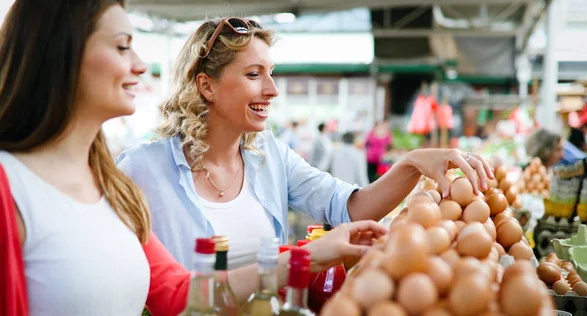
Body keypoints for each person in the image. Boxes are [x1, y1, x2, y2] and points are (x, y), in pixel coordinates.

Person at [0, 2, 390, 315]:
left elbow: (179, 292)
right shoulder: (12, 188)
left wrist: (310, 256)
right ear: (59, 56)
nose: (139, 64)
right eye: (122, 46)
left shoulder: (110, 186)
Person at [117, 17, 494, 272]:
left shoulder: (270, 157)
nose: (272, 89)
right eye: (254, 75)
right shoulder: (141, 171)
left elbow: (350, 209)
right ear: (206, 86)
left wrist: (412, 163)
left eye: (271, 74)